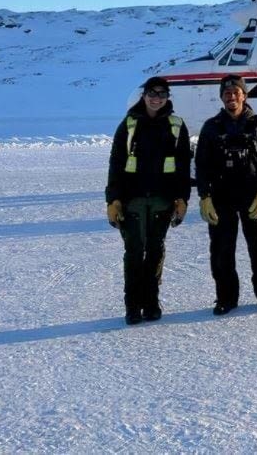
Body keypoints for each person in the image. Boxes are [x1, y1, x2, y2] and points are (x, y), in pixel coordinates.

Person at [106, 76, 191, 325]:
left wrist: (182, 199)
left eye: (162, 94)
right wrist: (113, 200)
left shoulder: (176, 125)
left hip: (162, 201)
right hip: (132, 200)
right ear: (144, 95)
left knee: (155, 251)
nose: (157, 98)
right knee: (134, 252)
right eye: (152, 93)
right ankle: (132, 307)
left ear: (167, 97)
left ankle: (151, 303)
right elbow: (116, 163)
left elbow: (183, 167)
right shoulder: (130, 124)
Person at [195, 74, 257, 314]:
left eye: (236, 93)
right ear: (222, 97)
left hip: (252, 195)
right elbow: (202, 163)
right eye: (227, 93)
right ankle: (226, 298)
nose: (232, 97)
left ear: (244, 95)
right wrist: (205, 196)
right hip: (221, 196)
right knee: (222, 250)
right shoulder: (211, 127)